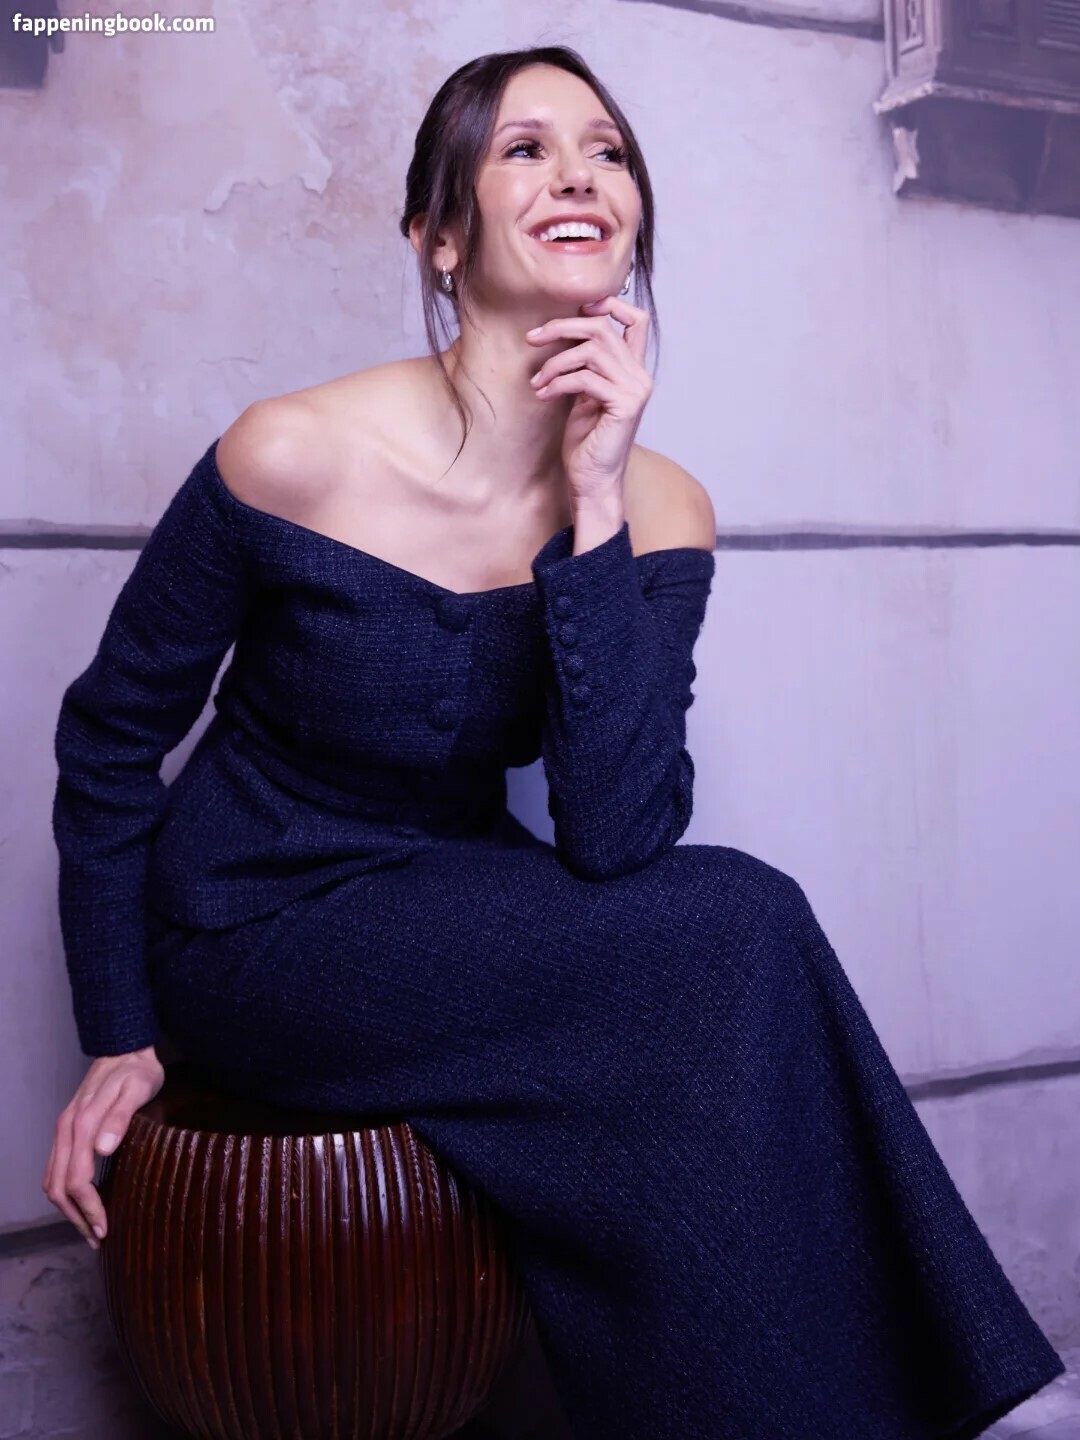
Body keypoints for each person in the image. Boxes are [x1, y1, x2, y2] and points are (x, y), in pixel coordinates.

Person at [44, 44, 1064, 1440]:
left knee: (736, 927)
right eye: (526, 148)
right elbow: (108, 740)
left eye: (607, 151)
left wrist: (596, 501)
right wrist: (118, 1029)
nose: (579, 173)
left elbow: (619, 831)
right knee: (737, 928)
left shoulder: (662, 503)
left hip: (457, 897)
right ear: (440, 235)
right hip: (255, 922)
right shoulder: (288, 453)